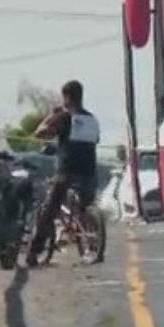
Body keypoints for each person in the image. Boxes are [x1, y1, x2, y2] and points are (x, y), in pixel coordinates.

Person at [25, 80, 101, 266]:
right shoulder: (92, 118)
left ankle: (33, 253)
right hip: (90, 171)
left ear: (66, 97)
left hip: (67, 172)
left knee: (49, 211)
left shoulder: (65, 117)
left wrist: (52, 115)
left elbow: (40, 133)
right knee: (82, 206)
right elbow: (96, 139)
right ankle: (87, 237)